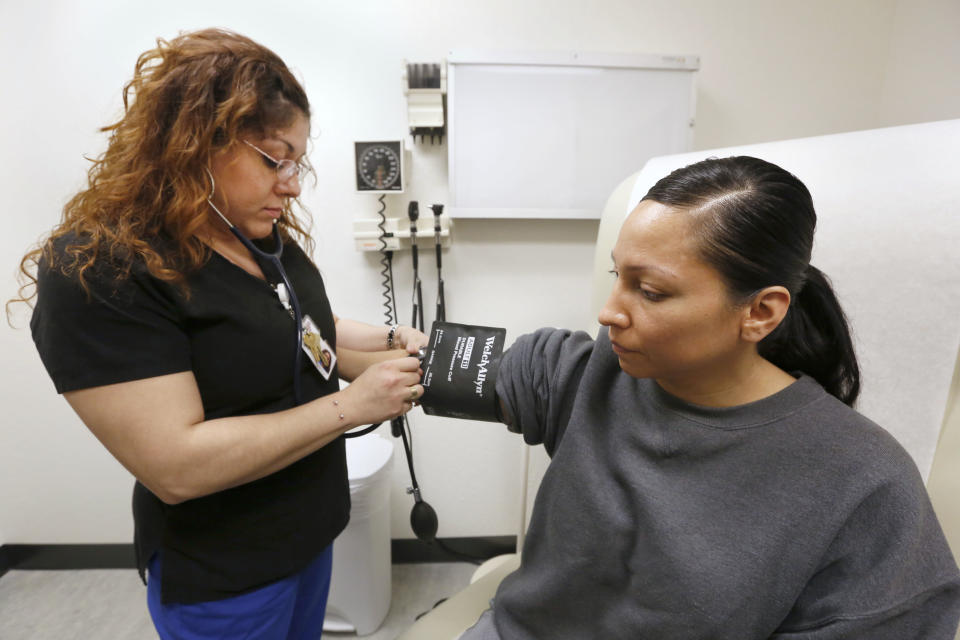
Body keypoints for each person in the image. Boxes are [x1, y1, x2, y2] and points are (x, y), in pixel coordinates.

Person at [15, 28, 427, 639]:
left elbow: (299, 327)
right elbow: (175, 465)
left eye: (297, 162)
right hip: (227, 574)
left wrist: (394, 343)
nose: (291, 184)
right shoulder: (104, 269)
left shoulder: (253, 234)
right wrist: (351, 407)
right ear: (197, 141)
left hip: (308, 537)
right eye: (275, 158)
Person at [461, 156, 960, 638]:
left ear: (761, 312)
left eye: (650, 291)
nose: (609, 312)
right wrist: (392, 349)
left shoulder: (864, 480)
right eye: (618, 276)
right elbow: (440, 367)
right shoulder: (596, 374)